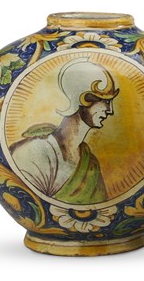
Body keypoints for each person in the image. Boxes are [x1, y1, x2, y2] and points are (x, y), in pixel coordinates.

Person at [10, 58, 119, 205]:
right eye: (106, 101)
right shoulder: (33, 152)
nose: (110, 110)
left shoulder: (90, 162)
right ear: (85, 99)